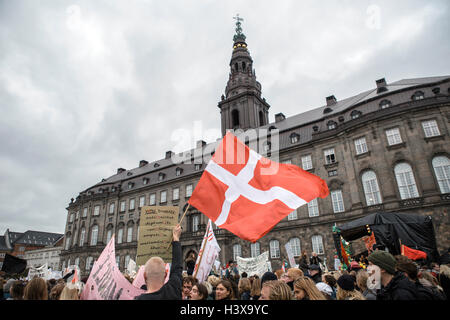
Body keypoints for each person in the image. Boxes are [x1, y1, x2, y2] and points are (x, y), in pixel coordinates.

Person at [135, 224, 183, 300]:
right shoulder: (173, 291)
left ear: (144, 276)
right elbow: (177, 269)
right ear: (165, 274)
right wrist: (176, 238)